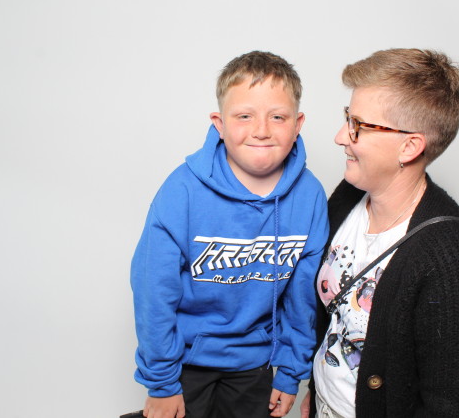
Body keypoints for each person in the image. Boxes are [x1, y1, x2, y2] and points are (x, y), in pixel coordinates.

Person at [301, 49, 459, 418]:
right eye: (347, 118)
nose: (340, 137)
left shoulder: (457, 260)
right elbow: (337, 321)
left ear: (409, 147)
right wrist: (317, 393)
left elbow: (454, 408)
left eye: (358, 125)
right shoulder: (348, 196)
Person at [131, 51, 329, 418]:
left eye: (278, 117)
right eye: (244, 116)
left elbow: (303, 298)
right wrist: (161, 382)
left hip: (256, 365)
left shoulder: (310, 196)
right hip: (184, 363)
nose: (261, 130)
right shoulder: (182, 191)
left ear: (297, 124)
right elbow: (153, 292)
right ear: (219, 124)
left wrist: (290, 372)